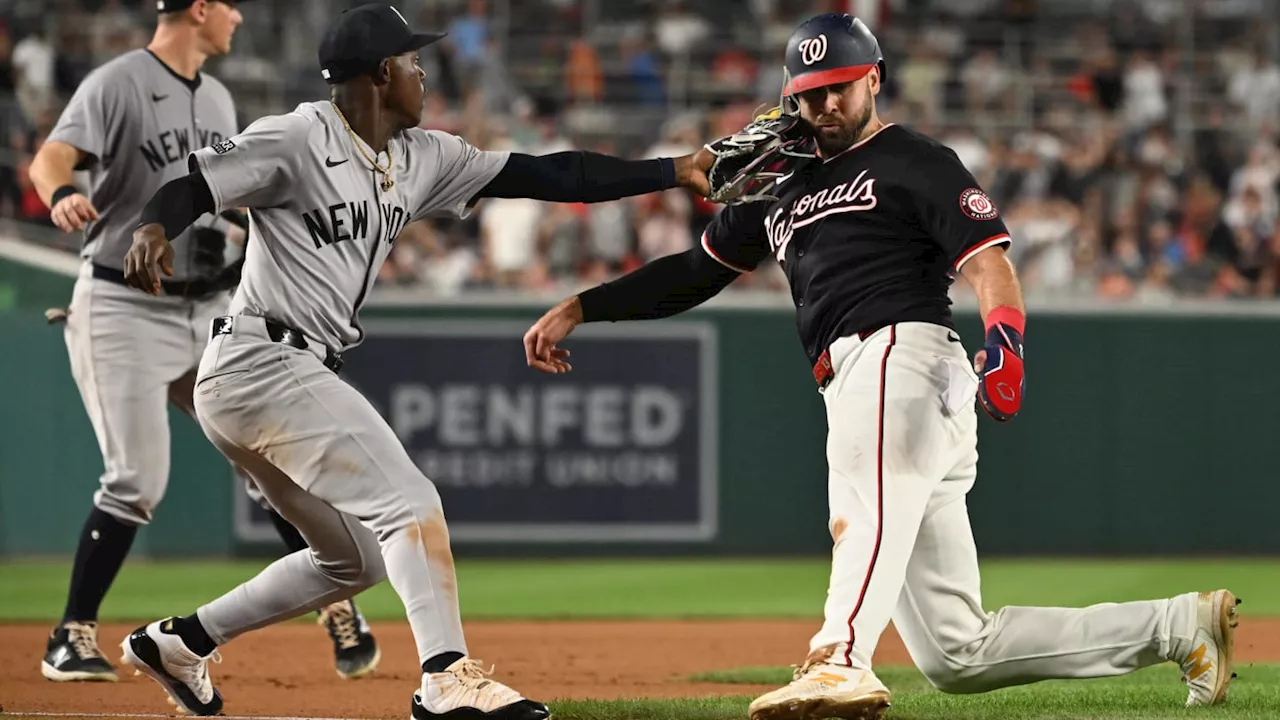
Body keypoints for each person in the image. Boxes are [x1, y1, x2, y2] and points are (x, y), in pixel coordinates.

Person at [522, 13, 1240, 720]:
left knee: (862, 507)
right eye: (810, 93)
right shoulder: (778, 180)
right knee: (957, 653)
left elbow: (988, 263)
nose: (826, 104)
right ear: (790, 98)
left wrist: (1008, 341)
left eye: (840, 86)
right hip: (866, 386)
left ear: (873, 80)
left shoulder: (914, 159)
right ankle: (1179, 626)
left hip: (902, 353)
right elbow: (690, 273)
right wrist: (582, 307)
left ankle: (837, 658)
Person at [116, 3, 715, 717]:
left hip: (272, 375)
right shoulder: (299, 138)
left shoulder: (422, 157)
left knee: (355, 561)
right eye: (411, 61)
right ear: (379, 74)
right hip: (259, 359)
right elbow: (195, 184)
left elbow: (551, 174)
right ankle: (446, 678)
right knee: (410, 502)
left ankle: (182, 642)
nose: (424, 72)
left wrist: (674, 169)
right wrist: (155, 224)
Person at [29, 0, 379, 685]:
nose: (239, 19)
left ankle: (334, 605)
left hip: (209, 305)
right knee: (136, 480)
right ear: (198, 8)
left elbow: (224, 186)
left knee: (269, 463)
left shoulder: (217, 96)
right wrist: (60, 193)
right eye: (229, 7)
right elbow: (51, 157)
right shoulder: (118, 82)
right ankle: (68, 636)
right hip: (122, 305)